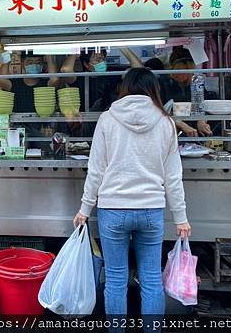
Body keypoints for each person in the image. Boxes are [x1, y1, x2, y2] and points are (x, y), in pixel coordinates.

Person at [73, 68, 190, 328]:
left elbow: (96, 170)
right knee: (150, 278)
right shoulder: (166, 122)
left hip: (113, 209)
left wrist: (84, 209)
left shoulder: (107, 119)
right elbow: (173, 177)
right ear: (154, 89)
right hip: (151, 210)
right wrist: (181, 218)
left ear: (124, 88)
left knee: (115, 279)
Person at [159, 47, 213, 137]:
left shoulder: (195, 83)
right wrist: (180, 124)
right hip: (170, 134)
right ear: (172, 69)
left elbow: (204, 105)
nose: (186, 76)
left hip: (194, 134)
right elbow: (159, 111)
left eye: (189, 72)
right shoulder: (162, 84)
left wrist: (202, 120)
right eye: (181, 72)